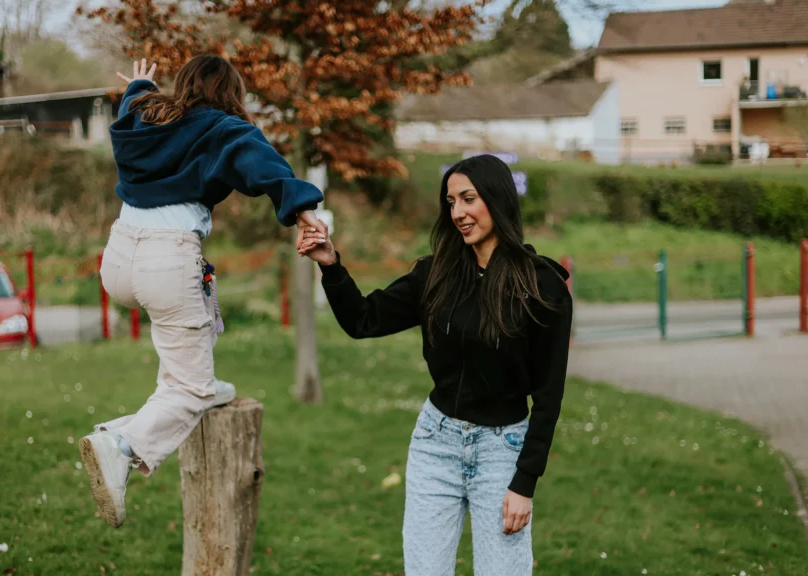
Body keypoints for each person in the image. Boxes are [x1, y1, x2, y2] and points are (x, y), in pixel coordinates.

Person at [79, 55, 328, 529]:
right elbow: (265, 167)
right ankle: (122, 443)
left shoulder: (143, 115)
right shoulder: (223, 127)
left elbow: (131, 102)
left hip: (117, 259)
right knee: (191, 390)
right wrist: (301, 209)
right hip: (166, 259)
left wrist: (140, 82)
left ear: (184, 85)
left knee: (187, 348)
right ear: (231, 93)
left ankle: (196, 386)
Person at [297, 154, 572, 575]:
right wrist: (331, 265)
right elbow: (363, 320)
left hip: (503, 451)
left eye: (468, 199)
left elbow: (549, 396)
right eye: (450, 202)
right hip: (435, 443)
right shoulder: (436, 275)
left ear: (497, 200)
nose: (458, 212)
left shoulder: (542, 287)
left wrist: (524, 482)